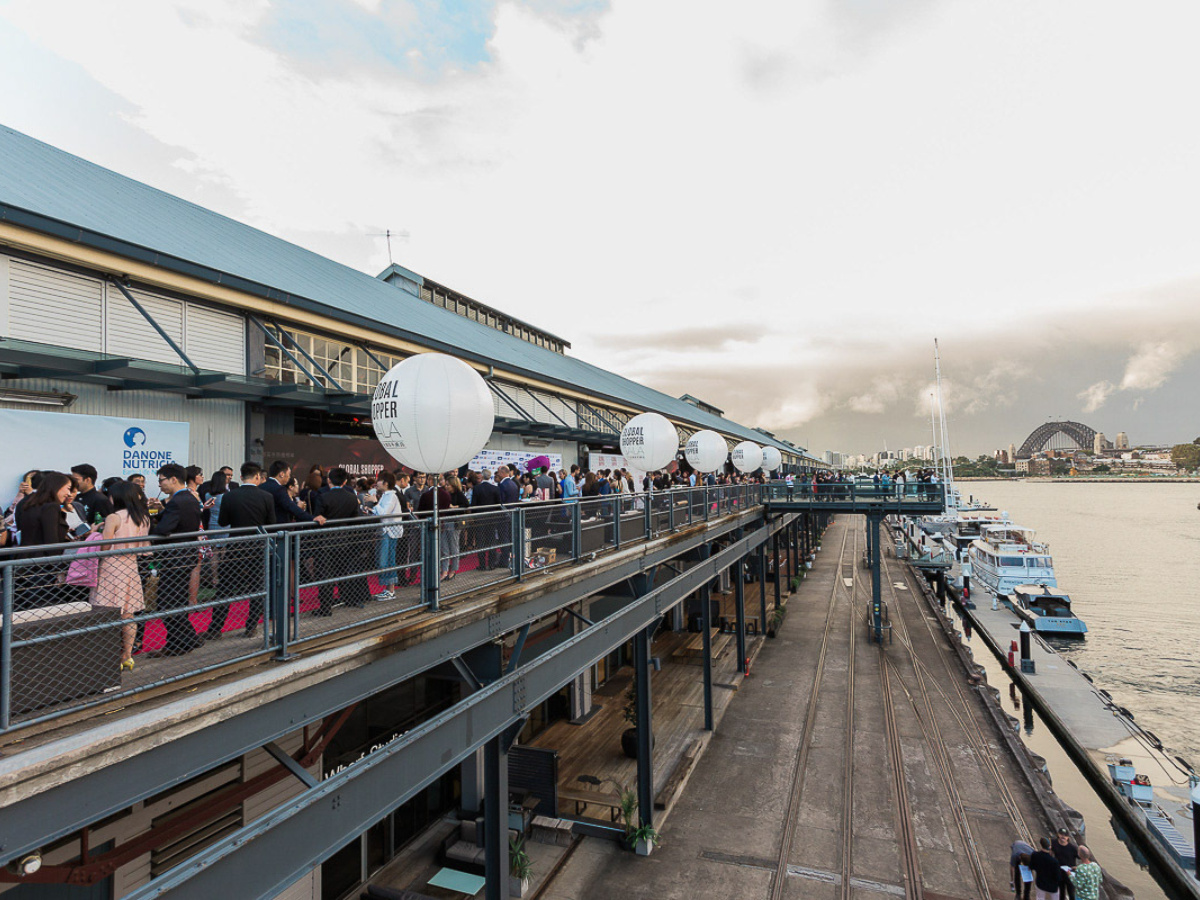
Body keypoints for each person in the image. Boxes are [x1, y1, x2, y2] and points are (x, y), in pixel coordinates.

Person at [92, 481, 151, 670]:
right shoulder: (143, 517)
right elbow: (144, 549)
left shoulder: (113, 517)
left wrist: (94, 533)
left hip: (111, 567)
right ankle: (126, 655)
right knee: (128, 613)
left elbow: (105, 546)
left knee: (104, 611)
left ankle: (106, 656)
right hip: (130, 566)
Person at [217, 462, 277, 638]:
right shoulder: (267, 496)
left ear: (241, 477)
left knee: (225, 588)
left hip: (236, 545)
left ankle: (215, 628)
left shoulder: (229, 496)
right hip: (258, 546)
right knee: (257, 587)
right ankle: (251, 626)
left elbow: (222, 522)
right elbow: (272, 524)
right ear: (258, 476)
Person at [149, 463, 203, 656]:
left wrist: (152, 528)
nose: (160, 485)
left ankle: (181, 642)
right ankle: (185, 641)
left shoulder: (178, 502)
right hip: (186, 555)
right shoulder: (190, 498)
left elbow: (164, 529)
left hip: (175, 558)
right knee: (175, 602)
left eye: (161, 480)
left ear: (173, 479)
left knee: (167, 604)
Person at [311, 467, 369, 615]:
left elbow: (317, 519)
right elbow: (355, 521)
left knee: (325, 576)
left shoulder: (323, 497)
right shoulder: (351, 498)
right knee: (344, 572)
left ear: (329, 480)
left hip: (325, 542)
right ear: (345, 481)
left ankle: (325, 608)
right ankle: (347, 598)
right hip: (345, 542)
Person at [371, 472, 405, 601]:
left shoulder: (391, 496)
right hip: (385, 531)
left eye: (379, 480)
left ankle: (390, 590)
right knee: (384, 560)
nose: (377, 483)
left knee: (387, 560)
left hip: (389, 532)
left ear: (385, 483)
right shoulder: (386, 495)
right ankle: (388, 589)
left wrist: (374, 502)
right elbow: (380, 512)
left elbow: (384, 513)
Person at [262, 461, 326, 525]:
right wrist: (312, 518)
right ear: (281, 474)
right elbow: (290, 507)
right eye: (289, 474)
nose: (289, 477)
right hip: (278, 529)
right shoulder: (279, 489)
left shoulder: (261, 486)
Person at [471, 470, 501, 570]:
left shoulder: (477, 488)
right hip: (492, 519)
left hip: (480, 519)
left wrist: (474, 517)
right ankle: (492, 564)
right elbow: (498, 504)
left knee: (481, 543)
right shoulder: (495, 489)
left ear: (482, 477)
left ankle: (482, 565)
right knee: (491, 541)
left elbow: (473, 505)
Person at [1052, 828, 1079, 900]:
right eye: (1061, 834)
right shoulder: (1054, 843)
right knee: (1061, 894)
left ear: (1068, 837)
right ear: (1058, 834)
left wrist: (1078, 867)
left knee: (1071, 894)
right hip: (1059, 873)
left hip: (1069, 874)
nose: (1063, 837)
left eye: (1065, 835)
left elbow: (1083, 858)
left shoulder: (1073, 848)